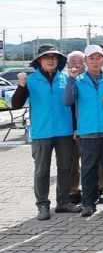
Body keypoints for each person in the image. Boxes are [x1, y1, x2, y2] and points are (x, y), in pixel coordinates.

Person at [11, 45, 81, 220]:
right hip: (41, 132)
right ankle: (42, 204)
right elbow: (16, 104)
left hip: (65, 131)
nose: (51, 60)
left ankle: (63, 202)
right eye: (46, 57)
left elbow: (74, 106)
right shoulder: (31, 80)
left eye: (54, 57)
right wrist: (21, 86)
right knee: (42, 170)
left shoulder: (67, 78)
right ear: (39, 61)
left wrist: (75, 128)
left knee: (65, 168)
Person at [64, 44, 103, 217]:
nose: (95, 61)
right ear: (86, 61)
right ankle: (89, 203)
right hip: (87, 133)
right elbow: (67, 100)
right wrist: (71, 80)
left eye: (98, 58)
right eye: (92, 58)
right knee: (88, 170)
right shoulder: (78, 80)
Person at [65, 51, 85, 204]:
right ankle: (74, 190)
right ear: (67, 64)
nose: (76, 65)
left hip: (87, 126)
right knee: (72, 161)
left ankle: (98, 188)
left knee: (92, 161)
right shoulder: (64, 80)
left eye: (80, 62)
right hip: (68, 126)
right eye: (73, 62)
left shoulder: (89, 79)